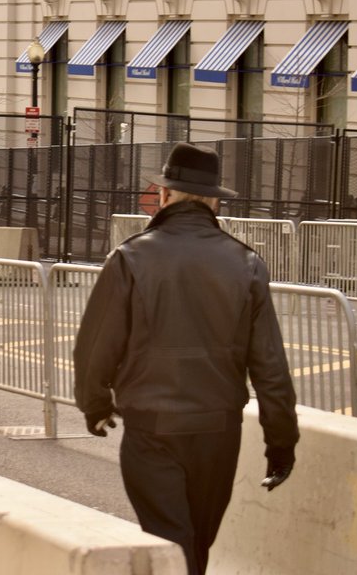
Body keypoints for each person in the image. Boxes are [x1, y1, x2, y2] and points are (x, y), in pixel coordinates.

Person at [73, 142, 299, 575]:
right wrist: (281, 441)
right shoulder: (247, 264)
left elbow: (96, 345)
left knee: (171, 544)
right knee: (196, 544)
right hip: (218, 431)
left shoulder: (130, 257)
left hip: (151, 428)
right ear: (214, 200)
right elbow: (270, 366)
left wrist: (95, 404)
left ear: (163, 194)